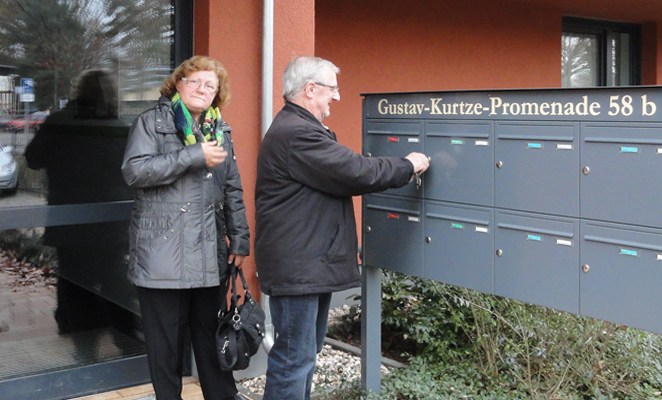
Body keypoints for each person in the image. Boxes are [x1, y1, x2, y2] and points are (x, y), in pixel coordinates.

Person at [255, 56, 430, 400]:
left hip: (308, 263)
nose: (337, 97)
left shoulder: (300, 128)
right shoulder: (297, 133)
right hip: (299, 267)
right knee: (294, 359)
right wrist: (407, 165)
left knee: (303, 355)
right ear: (310, 90)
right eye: (332, 89)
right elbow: (354, 171)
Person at [121, 56, 250, 400]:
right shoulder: (152, 123)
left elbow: (232, 189)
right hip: (162, 254)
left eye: (210, 85)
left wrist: (239, 239)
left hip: (208, 253)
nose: (202, 89)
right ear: (178, 84)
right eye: (194, 81)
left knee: (211, 337)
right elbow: (134, 171)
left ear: (217, 94)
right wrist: (193, 157)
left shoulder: (220, 130)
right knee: (165, 346)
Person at [25, 69, 136, 361]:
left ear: (79, 91)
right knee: (114, 282)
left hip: (70, 221)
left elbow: (33, 159)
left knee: (74, 284)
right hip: (112, 221)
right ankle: (129, 344)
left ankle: (84, 350)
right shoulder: (121, 127)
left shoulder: (59, 122)